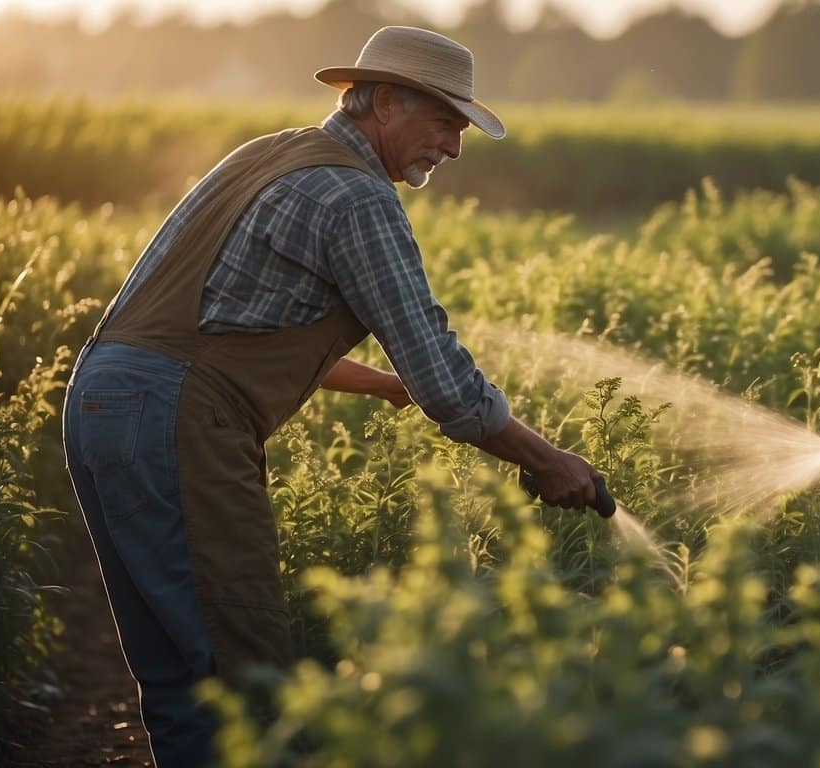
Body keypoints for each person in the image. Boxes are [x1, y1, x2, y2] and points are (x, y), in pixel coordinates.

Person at [61, 26, 600, 766]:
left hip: (102, 403)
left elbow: (218, 321)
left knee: (176, 673)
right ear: (385, 102)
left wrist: (377, 381)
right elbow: (448, 384)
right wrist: (547, 460)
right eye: (445, 121)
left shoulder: (267, 154)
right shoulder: (358, 199)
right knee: (240, 670)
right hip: (174, 423)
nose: (454, 145)